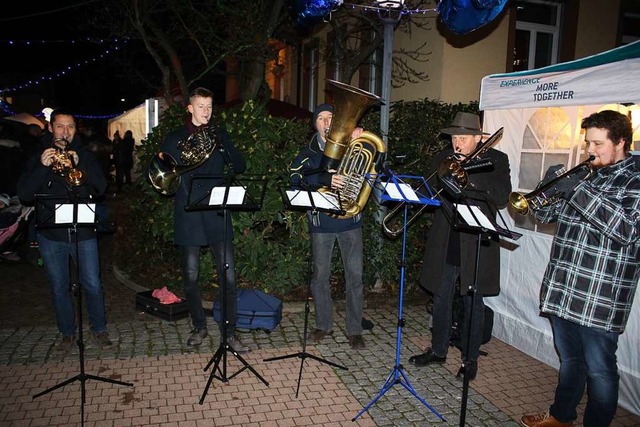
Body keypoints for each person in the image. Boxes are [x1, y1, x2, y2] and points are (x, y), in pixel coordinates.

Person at [521, 110, 640, 427]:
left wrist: (577, 189)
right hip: (565, 288)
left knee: (600, 370)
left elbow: (627, 230)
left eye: (598, 143)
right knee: (570, 360)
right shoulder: (589, 175)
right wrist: (546, 190)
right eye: (588, 142)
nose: (590, 150)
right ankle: (561, 416)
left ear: (621, 142)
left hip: (600, 296)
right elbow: (545, 216)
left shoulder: (636, 178)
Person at [409, 112, 511, 380]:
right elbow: (428, 189)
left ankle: (470, 360)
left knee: (472, 302)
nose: (457, 143)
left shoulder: (497, 160)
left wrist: (470, 173)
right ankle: (439, 350)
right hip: (447, 237)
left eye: (463, 138)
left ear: (478, 138)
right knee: (441, 297)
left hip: (477, 240)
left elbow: (501, 196)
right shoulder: (444, 158)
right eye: (455, 138)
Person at [16, 108, 112, 352]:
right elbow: (25, 195)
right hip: (50, 233)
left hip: (83, 230)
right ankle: (67, 332)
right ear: (51, 128)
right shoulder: (38, 155)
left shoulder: (84, 154)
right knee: (59, 285)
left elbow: (101, 188)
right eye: (60, 126)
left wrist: (83, 167)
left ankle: (99, 329)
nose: (65, 131)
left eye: (70, 126)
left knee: (91, 283)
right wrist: (41, 166)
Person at [159, 87, 248, 351]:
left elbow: (240, 166)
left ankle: (230, 332)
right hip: (188, 215)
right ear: (190, 108)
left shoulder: (220, 135)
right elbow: (162, 174)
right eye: (201, 106)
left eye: (209, 106)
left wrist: (224, 146)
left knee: (229, 277)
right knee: (191, 276)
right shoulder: (175, 139)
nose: (206, 112)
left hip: (217, 214)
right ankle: (199, 326)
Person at [289, 103, 367, 350]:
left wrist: (363, 143)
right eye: (321, 118)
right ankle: (324, 325)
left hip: (350, 222)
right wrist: (325, 178)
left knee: (354, 277)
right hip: (321, 223)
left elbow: (376, 170)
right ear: (315, 124)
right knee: (320, 278)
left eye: (330, 117)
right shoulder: (309, 151)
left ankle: (355, 329)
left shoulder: (352, 147)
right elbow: (293, 178)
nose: (326, 122)